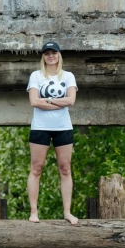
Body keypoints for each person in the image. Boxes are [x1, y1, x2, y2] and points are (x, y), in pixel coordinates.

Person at [26, 41, 79, 225]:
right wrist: (58, 101)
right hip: (40, 127)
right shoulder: (36, 76)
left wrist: (46, 100)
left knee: (65, 169)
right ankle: (34, 212)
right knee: (36, 169)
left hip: (63, 127)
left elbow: (71, 100)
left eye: (54, 52)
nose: (51, 56)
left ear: (59, 55)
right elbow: (34, 101)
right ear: (43, 56)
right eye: (47, 53)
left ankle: (67, 212)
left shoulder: (68, 76)